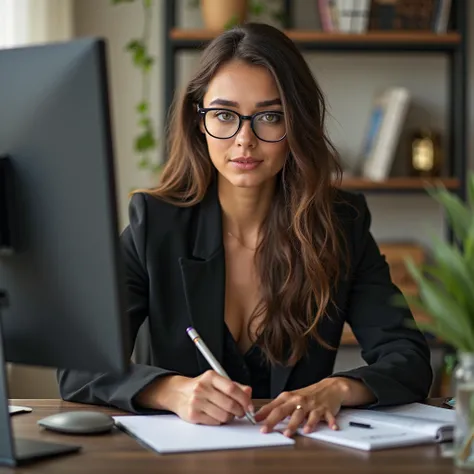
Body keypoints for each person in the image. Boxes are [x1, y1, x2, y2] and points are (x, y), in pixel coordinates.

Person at [58, 22, 432, 438]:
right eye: (224, 115)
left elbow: (409, 358)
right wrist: (171, 391)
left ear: (297, 123)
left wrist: (338, 388)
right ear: (199, 121)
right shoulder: (155, 222)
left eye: (270, 117)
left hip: (296, 455)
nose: (244, 140)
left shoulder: (340, 224)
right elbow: (79, 366)